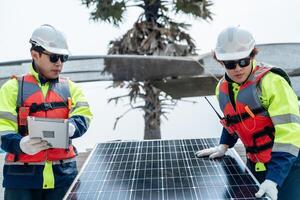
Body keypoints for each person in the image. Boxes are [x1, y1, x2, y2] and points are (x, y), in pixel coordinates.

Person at [195, 26, 300, 200]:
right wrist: (224, 145)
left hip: (289, 166)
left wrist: (274, 179)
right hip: (255, 164)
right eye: (230, 64)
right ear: (221, 62)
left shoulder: (273, 82)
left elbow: (290, 133)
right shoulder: (222, 88)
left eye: (243, 61)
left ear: (252, 55)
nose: (237, 68)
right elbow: (233, 120)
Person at [0, 24, 93, 200]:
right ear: (35, 54)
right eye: (54, 57)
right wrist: (20, 144)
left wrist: (73, 126)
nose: (59, 63)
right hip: (21, 182)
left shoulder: (71, 88)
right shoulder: (11, 88)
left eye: (63, 57)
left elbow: (84, 115)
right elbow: (2, 129)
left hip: (64, 178)